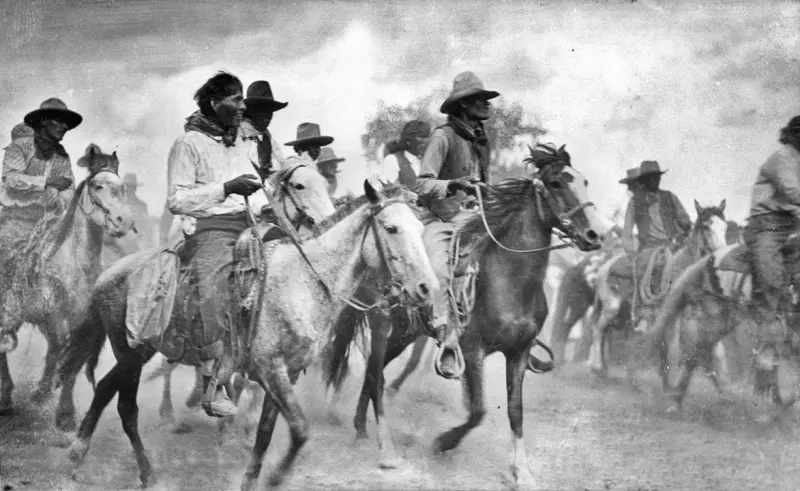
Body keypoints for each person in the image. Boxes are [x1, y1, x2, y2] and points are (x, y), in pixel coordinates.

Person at [166, 71, 266, 418]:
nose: (243, 105)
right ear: (214, 103)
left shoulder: (245, 138)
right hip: (211, 228)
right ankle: (212, 380)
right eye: (236, 99)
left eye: (242, 99)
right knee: (212, 288)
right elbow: (176, 200)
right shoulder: (188, 144)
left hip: (251, 223)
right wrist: (226, 188)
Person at [412, 71, 499, 379]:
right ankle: (447, 339)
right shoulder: (442, 137)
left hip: (476, 219)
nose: (486, 105)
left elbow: (485, 183)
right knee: (438, 270)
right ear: (463, 106)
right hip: (441, 219)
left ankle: (518, 328)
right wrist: (453, 185)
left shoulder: (481, 141)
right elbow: (422, 185)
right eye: (480, 100)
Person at [743, 115, 800, 392]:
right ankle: (767, 342)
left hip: (790, 225)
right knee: (770, 280)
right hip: (766, 227)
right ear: (793, 136)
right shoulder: (782, 158)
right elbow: (793, 191)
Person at [0, 98, 81, 285]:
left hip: (48, 225)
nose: (64, 127)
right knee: (7, 267)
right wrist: (47, 182)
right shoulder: (19, 147)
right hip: (16, 221)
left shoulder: (63, 157)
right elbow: (12, 180)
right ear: (44, 121)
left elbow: (69, 188)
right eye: (59, 121)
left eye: (66, 123)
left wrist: (59, 201)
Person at [239, 80, 288, 178]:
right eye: (263, 111)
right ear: (250, 111)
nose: (269, 116)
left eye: (270, 111)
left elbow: (282, 167)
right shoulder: (236, 137)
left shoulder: (270, 141)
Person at [379, 120, 432, 188]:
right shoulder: (393, 160)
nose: (426, 141)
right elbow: (387, 192)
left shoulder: (430, 161)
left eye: (428, 137)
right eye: (422, 137)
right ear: (408, 141)